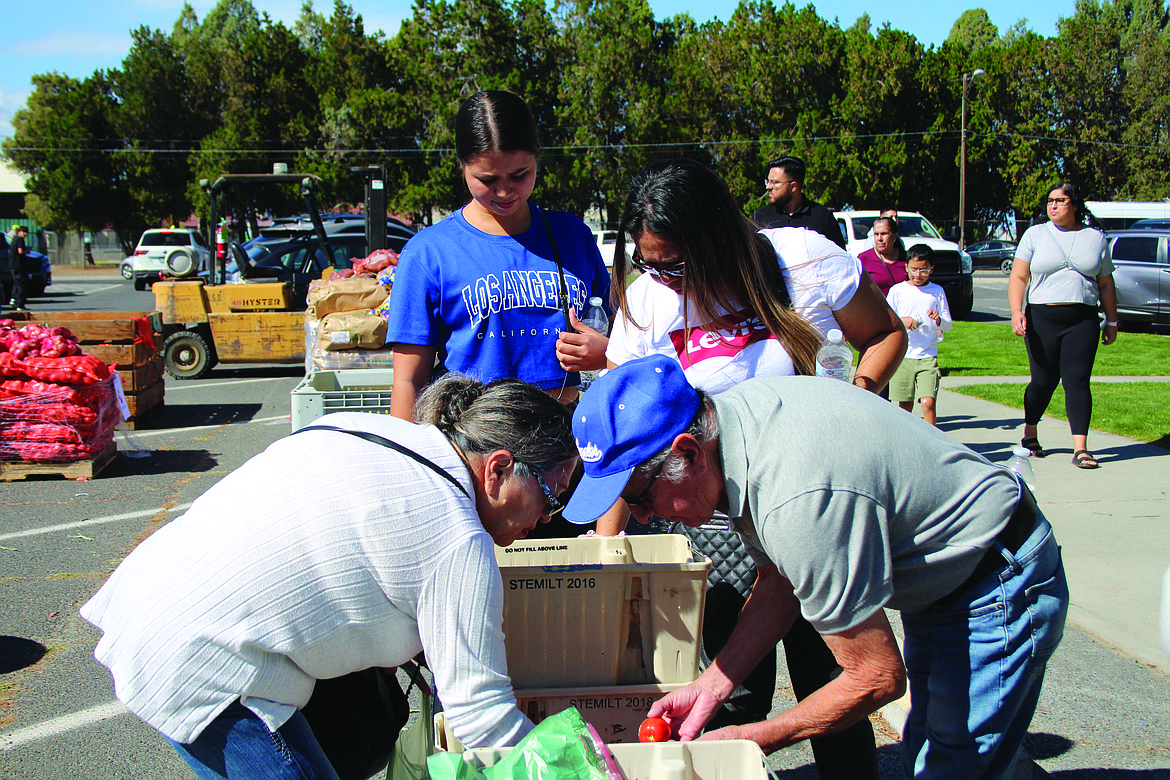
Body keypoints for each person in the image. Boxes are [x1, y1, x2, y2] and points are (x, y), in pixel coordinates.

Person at [564, 356, 1069, 780]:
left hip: (994, 579)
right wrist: (713, 683)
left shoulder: (796, 500)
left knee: (956, 763)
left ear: (688, 451)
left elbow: (876, 678)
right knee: (934, 748)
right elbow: (780, 580)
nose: (647, 518)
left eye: (642, 498)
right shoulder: (730, 423)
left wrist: (753, 737)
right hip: (946, 574)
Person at [80, 374, 579, 780]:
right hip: (210, 666)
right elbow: (480, 716)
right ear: (497, 469)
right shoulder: (458, 539)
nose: (548, 516)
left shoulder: (369, 429)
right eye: (551, 496)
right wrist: (583, 771)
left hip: (152, 599)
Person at [600, 158, 908, 780]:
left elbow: (885, 335)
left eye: (675, 264)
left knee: (835, 681)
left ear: (718, 236)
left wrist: (849, 412)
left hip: (811, 516)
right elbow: (628, 440)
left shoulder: (802, 258)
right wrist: (610, 543)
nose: (662, 280)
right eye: (649, 265)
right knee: (728, 692)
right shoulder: (645, 304)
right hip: (710, 532)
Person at [386, 90, 611, 419]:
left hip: (565, 437)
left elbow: (623, 337)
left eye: (519, 175)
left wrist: (607, 353)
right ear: (462, 166)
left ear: (537, 158)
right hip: (472, 444)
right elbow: (408, 381)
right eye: (487, 179)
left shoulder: (572, 235)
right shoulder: (428, 252)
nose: (505, 192)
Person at [1008, 182, 1118, 469]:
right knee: (1043, 381)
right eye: (1050, 201)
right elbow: (1019, 277)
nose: (1053, 206)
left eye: (1060, 200)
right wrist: (1016, 312)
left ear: (1075, 205)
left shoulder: (1095, 238)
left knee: (1077, 380)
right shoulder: (1035, 234)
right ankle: (1030, 432)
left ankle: (1080, 448)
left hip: (1082, 319)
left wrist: (1113, 321)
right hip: (1042, 318)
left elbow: (1106, 283)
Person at [886, 244, 953, 426]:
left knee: (928, 402)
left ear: (931, 269)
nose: (918, 274)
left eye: (924, 270)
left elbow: (948, 325)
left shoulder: (936, 292)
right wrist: (903, 321)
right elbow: (886, 319)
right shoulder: (897, 291)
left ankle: (932, 440)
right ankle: (903, 437)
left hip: (927, 356)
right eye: (914, 269)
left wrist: (938, 320)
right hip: (903, 355)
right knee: (904, 405)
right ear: (906, 266)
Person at [751, 156, 847, 249]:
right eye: (767, 181)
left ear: (793, 187)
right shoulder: (760, 217)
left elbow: (839, 258)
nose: (768, 187)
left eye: (774, 182)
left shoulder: (823, 217)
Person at [858, 215, 908, 296]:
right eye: (876, 234)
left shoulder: (906, 258)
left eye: (884, 234)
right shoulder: (864, 258)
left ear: (895, 236)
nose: (879, 238)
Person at [9, 225, 30, 311]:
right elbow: (20, 251)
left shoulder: (14, 239)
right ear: (19, 232)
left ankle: (13, 299)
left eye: (26, 232)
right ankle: (20, 305)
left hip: (13, 265)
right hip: (19, 266)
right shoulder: (20, 239)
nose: (25, 234)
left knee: (16, 283)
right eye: (23, 232)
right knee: (22, 285)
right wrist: (27, 251)